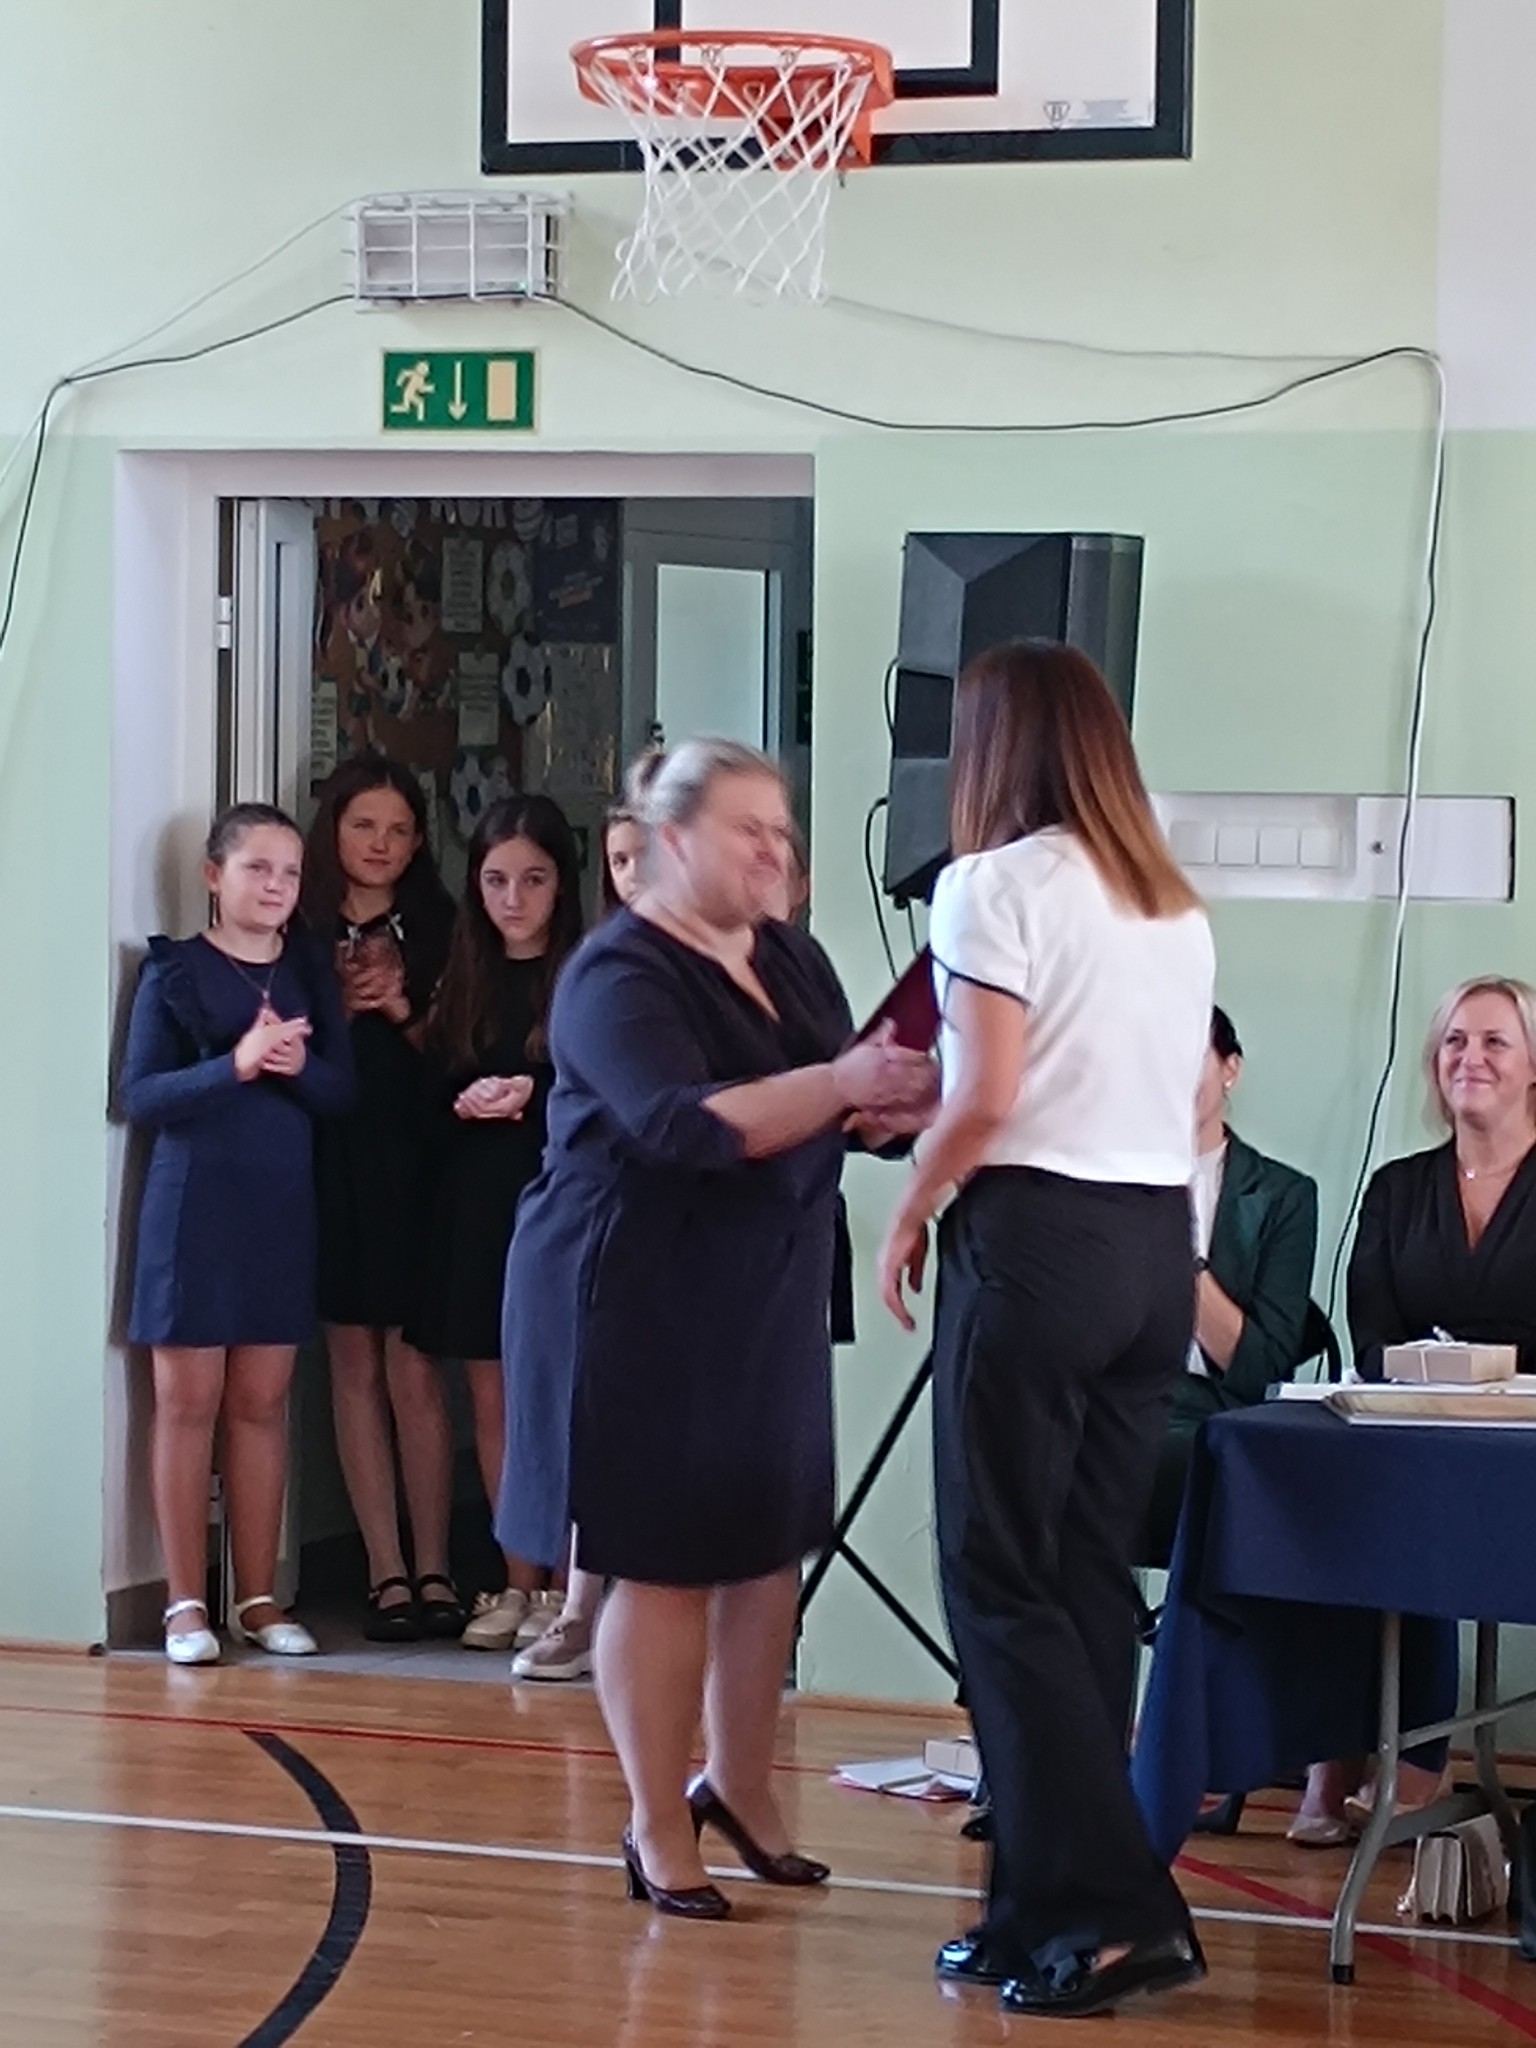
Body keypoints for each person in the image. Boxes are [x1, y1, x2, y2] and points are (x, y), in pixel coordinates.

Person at [498, 739, 936, 1917]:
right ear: (673, 840)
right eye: (749, 829)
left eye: (781, 831)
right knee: (663, 1557)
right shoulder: (615, 974)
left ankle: (740, 1787)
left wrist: (900, 1103)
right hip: (631, 1290)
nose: (774, 850)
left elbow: (839, 1097)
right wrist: (847, 1086)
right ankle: (655, 1820)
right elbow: (685, 1124)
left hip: (766, 1284)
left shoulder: (790, 953)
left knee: (764, 1540)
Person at [877, 641, 1214, 2020]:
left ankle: (1116, 1909)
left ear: (991, 751)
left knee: (997, 1577)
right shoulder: (1169, 903)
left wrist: (912, 1202)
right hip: (1150, 1248)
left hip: (1036, 1239)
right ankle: (1035, 1908)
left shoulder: (990, 884)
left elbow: (987, 1094)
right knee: (1078, 1580)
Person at [1290, 975, 1536, 1844]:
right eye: (1454, 1042)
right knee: (1325, 1499)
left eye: (1495, 1041)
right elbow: (1372, 1329)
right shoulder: (1398, 1188)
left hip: (1523, 1447)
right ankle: (1334, 1747)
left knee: (1419, 1506)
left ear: (1534, 1065)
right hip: (1415, 1427)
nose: (1470, 1057)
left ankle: (1419, 1757)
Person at [121, 803, 355, 1664]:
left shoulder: (308, 970)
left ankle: (257, 1597)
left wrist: (295, 1068)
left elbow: (341, 1093)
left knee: (261, 1404)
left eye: (290, 872)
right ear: (214, 876)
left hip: (279, 1208)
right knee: (187, 1404)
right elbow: (140, 1095)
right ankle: (185, 1604)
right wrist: (236, 1066)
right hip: (193, 1207)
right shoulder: (175, 971)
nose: (276, 886)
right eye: (258, 868)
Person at [405, 796, 585, 1653]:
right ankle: (517, 1580)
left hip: (559, 1201)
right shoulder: (463, 973)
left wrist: (533, 1095)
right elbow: (425, 1104)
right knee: (492, 1398)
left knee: (562, 1396)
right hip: (478, 1206)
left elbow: (607, 1099)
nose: (514, 899)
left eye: (533, 880)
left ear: (562, 884)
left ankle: (568, 1589)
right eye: (496, 880)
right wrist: (464, 1099)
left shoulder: (584, 975)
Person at [302, 758, 461, 1643]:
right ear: (333, 828)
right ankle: (383, 1570)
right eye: (364, 825)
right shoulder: (299, 922)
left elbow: (465, 1052)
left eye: (399, 830)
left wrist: (398, 1005)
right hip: (329, 1153)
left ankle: (436, 1565)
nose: (381, 844)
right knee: (351, 1363)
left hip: (417, 1155)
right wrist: (331, 999)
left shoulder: (442, 924)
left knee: (413, 1364)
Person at [509, 793, 643, 1683]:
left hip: (702, 1236)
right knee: (583, 1426)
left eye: (645, 856)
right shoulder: (603, 969)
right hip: (592, 1218)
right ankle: (578, 1607)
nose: (633, 876)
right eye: (620, 860)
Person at [1140, 1006, 1320, 1565]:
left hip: (1212, 1411)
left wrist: (1178, 1253)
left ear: (1230, 1069)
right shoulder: (1101, 1180)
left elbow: (1261, 1366)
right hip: (1113, 1401)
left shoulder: (1283, 1196)